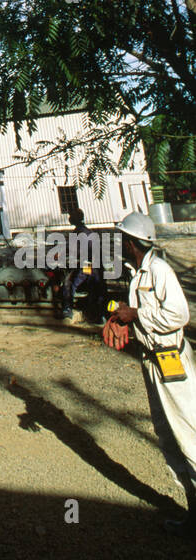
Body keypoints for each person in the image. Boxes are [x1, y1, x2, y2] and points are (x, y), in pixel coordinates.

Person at [108, 211, 196, 537]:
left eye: (121, 239)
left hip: (172, 363)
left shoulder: (159, 270)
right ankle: (193, 514)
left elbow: (179, 314)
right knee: (168, 437)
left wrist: (136, 313)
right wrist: (123, 318)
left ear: (133, 243)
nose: (119, 243)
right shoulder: (138, 272)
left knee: (189, 435)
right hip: (152, 363)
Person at [61, 207, 103, 323]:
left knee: (69, 283)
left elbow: (70, 250)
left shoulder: (78, 232)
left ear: (73, 219)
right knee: (94, 286)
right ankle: (99, 313)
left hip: (87, 266)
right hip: (96, 266)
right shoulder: (88, 231)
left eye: (70, 216)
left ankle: (67, 309)